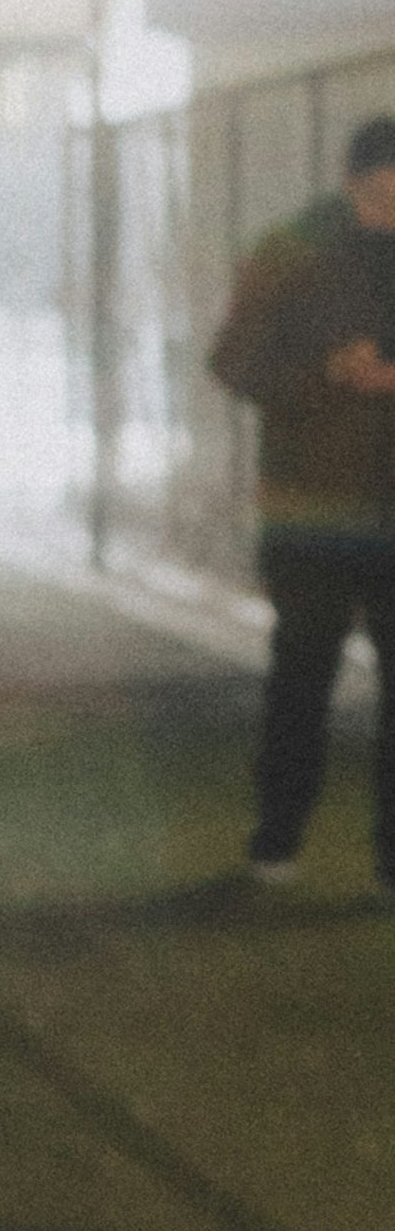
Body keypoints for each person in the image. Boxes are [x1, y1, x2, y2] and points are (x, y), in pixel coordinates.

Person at [208, 109, 395, 886]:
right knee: (302, 677)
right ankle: (277, 835)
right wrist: (324, 374)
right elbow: (233, 362)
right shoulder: (290, 254)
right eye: (384, 192)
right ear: (353, 181)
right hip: (309, 507)